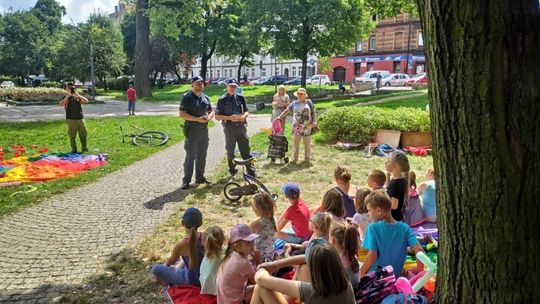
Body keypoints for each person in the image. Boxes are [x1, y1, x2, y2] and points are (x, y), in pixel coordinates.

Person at [252, 239, 356, 304]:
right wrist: (276, 264)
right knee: (303, 267)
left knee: (260, 288)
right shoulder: (345, 284)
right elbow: (306, 259)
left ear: (315, 269)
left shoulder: (313, 292)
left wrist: (263, 268)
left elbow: (261, 279)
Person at [360, 190, 424, 277]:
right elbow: (419, 250)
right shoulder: (404, 228)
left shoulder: (373, 228)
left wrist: (361, 273)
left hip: (376, 278)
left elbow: (372, 256)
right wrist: (420, 274)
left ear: (378, 210)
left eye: (369, 210)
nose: (368, 213)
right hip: (395, 277)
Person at [151, 207, 205, 286]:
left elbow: (170, 262)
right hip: (204, 277)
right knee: (184, 260)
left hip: (191, 281)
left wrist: (165, 270)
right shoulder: (206, 236)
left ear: (182, 223)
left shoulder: (181, 245)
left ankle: (168, 282)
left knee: (155, 268)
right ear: (201, 223)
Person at [179, 76, 214, 189]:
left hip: (204, 131)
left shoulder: (205, 98)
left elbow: (211, 111)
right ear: (192, 85)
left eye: (202, 83)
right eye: (197, 83)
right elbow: (182, 114)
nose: (200, 85)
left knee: (202, 155)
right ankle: (186, 181)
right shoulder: (187, 97)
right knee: (190, 156)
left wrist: (208, 117)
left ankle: (200, 178)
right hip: (192, 130)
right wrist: (197, 119)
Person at [215, 79, 255, 178]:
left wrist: (243, 117)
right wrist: (230, 118)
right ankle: (233, 171)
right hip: (229, 128)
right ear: (227, 86)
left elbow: (246, 111)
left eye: (234, 86)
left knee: (245, 149)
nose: (233, 88)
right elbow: (217, 116)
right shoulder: (222, 99)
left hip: (241, 127)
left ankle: (250, 170)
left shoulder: (240, 98)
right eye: (231, 86)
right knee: (230, 151)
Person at [216, 224, 260, 304]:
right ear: (237, 246)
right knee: (262, 289)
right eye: (248, 243)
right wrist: (258, 261)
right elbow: (259, 280)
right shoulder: (243, 263)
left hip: (224, 299)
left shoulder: (231, 254)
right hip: (235, 301)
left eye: (253, 241)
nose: (253, 245)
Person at [275, 88, 317, 163]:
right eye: (298, 94)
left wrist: (314, 121)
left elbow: (313, 113)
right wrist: (280, 116)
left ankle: (307, 159)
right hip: (297, 127)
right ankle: (295, 159)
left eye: (301, 94)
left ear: (305, 95)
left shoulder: (309, 102)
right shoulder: (294, 103)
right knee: (296, 144)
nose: (299, 95)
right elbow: (287, 110)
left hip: (307, 127)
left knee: (307, 144)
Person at [59, 82, 89, 154]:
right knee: (72, 135)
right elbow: (61, 104)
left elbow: (86, 101)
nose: (71, 89)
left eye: (72, 88)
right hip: (71, 119)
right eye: (69, 88)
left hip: (80, 118)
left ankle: (84, 147)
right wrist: (68, 96)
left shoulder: (77, 97)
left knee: (83, 133)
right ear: (66, 89)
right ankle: (74, 149)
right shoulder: (66, 97)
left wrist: (78, 95)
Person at [329, 222, 360, 289]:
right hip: (354, 293)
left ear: (333, 240)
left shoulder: (335, 261)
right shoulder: (352, 256)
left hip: (345, 295)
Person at [250, 192, 277, 263]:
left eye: (253, 206)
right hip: (270, 256)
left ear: (259, 208)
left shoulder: (255, 224)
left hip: (258, 260)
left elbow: (246, 242)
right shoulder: (273, 219)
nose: (253, 209)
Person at [385, 151, 410, 221]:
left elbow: (394, 205)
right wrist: (388, 177)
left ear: (396, 166)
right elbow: (388, 189)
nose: (386, 163)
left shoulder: (396, 184)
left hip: (393, 220)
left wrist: (380, 207)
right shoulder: (399, 180)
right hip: (397, 218)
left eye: (388, 161)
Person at [200, 225, 225, 295]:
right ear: (223, 239)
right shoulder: (225, 252)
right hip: (217, 290)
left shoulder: (207, 254)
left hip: (207, 288)